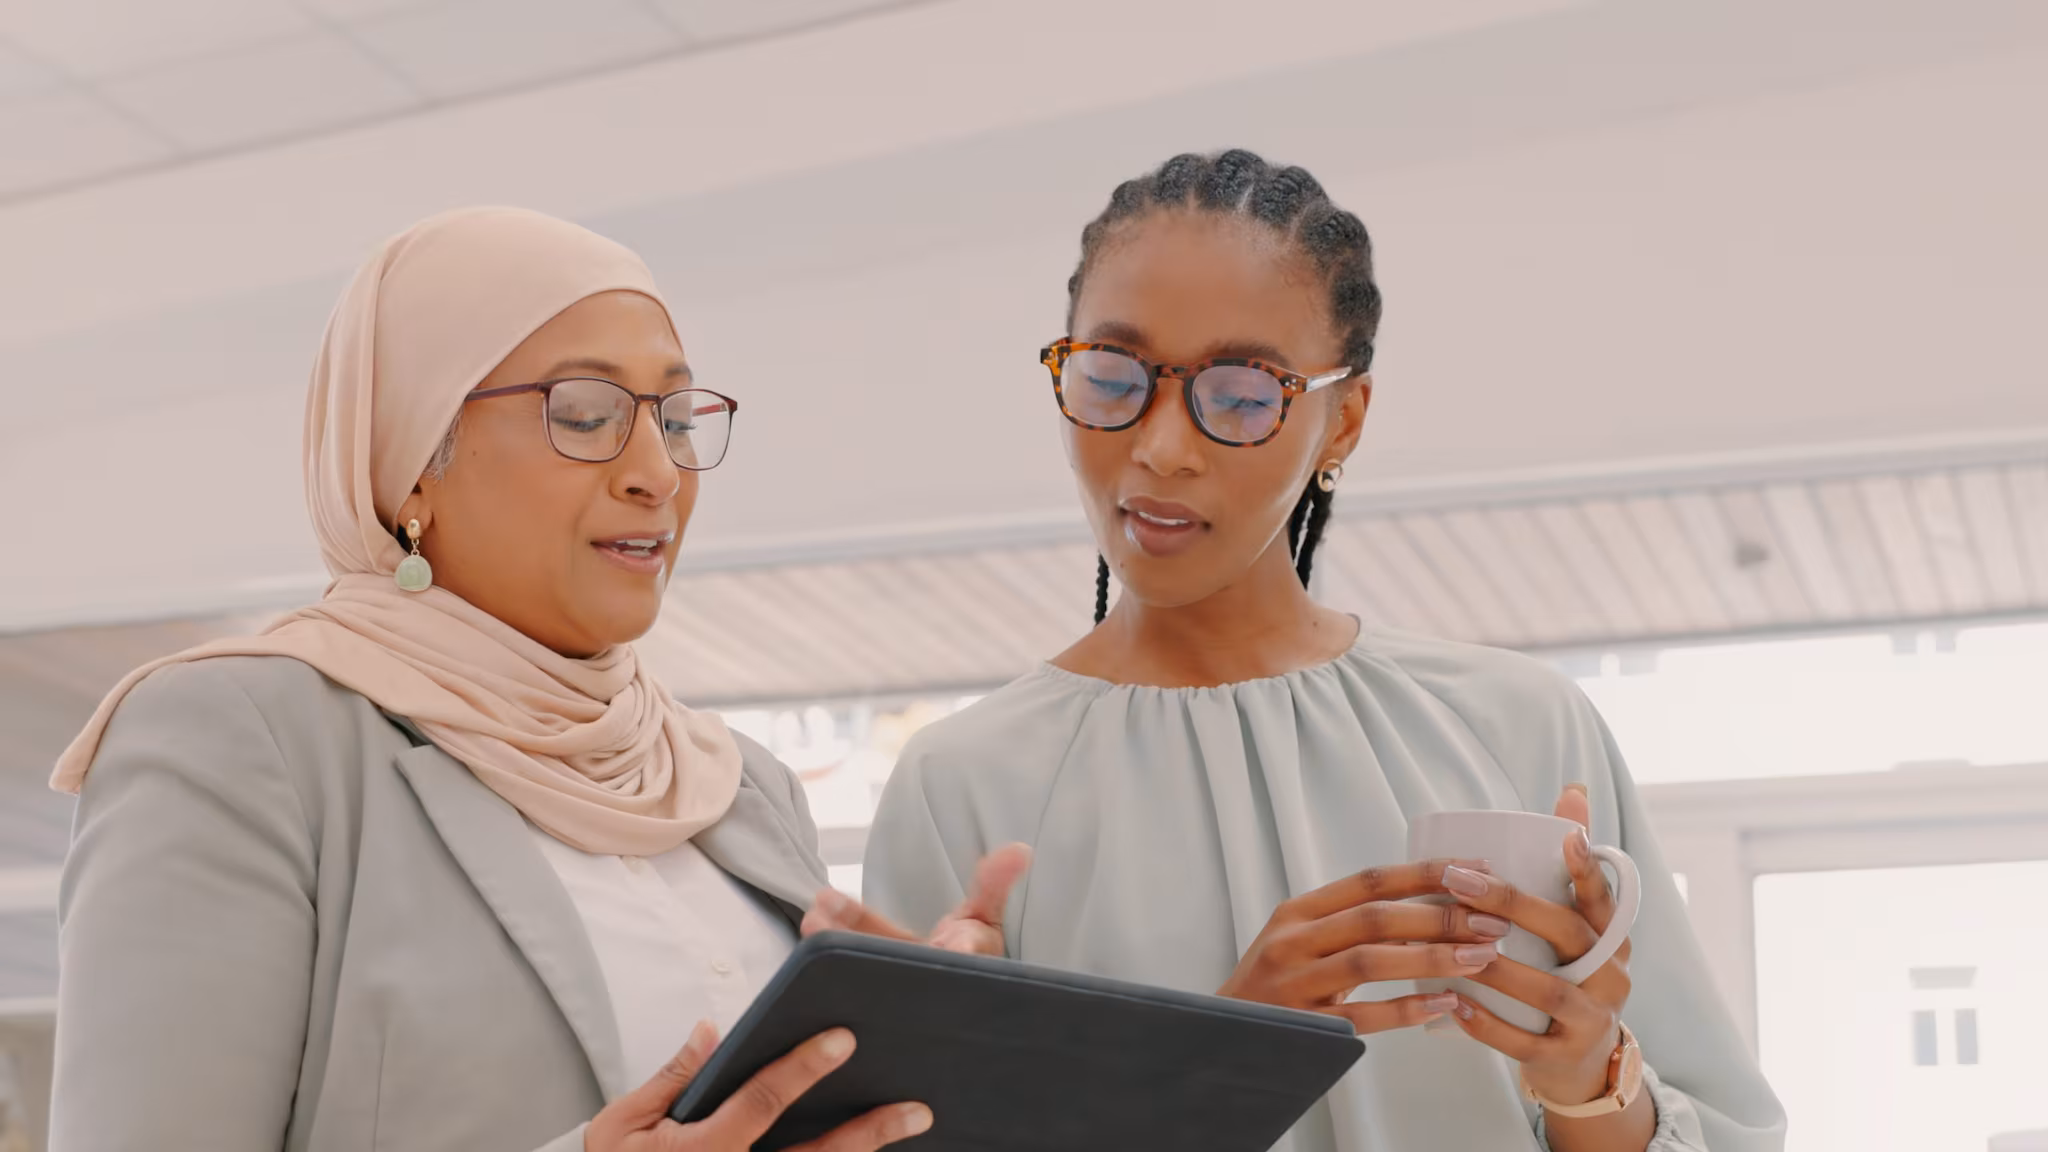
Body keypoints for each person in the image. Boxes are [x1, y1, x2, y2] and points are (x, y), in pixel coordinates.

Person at [850, 151, 1788, 1152]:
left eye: (1241, 396)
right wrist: (1228, 1058)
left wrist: (1589, 1083)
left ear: (1341, 418)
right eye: (1114, 378)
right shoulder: (964, 788)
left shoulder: (1514, 723)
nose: (1161, 445)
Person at [47, 207, 1022, 1152]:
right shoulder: (241, 737)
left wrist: (928, 1053)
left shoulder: (738, 784)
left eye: (676, 419)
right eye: (588, 415)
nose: (659, 473)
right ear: (414, 460)